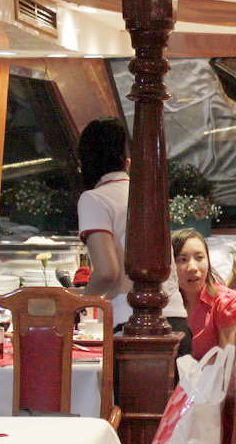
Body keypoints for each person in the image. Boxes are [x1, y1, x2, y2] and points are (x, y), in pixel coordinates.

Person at [76, 117, 191, 354]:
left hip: (133, 323)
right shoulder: (148, 193)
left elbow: (107, 272)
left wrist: (78, 305)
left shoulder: (95, 199)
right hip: (176, 322)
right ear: (126, 161)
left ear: (84, 163)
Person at [172, 228, 236, 360]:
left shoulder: (226, 301)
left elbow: (227, 362)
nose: (192, 267)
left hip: (211, 373)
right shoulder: (163, 304)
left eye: (199, 258)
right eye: (182, 259)